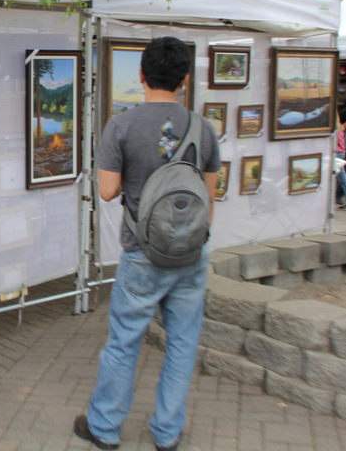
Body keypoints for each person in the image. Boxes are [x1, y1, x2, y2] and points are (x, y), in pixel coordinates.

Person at [73, 37, 220, 451]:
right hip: (191, 254)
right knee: (183, 344)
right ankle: (167, 432)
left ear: (141, 75)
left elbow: (107, 191)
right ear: (184, 80)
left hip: (142, 253)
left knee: (124, 342)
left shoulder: (121, 125)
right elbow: (209, 197)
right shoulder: (203, 128)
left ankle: (104, 427)